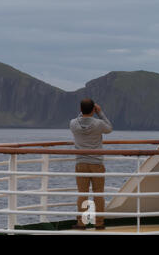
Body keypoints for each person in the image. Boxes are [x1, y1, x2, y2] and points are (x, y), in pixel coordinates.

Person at [70, 98, 113, 230]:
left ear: (80, 110)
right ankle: (99, 224)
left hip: (81, 163)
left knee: (82, 193)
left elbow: (79, 118)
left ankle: (81, 223)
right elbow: (109, 128)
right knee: (98, 194)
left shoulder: (73, 123)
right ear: (93, 109)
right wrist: (100, 113)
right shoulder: (99, 124)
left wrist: (84, 113)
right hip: (97, 163)